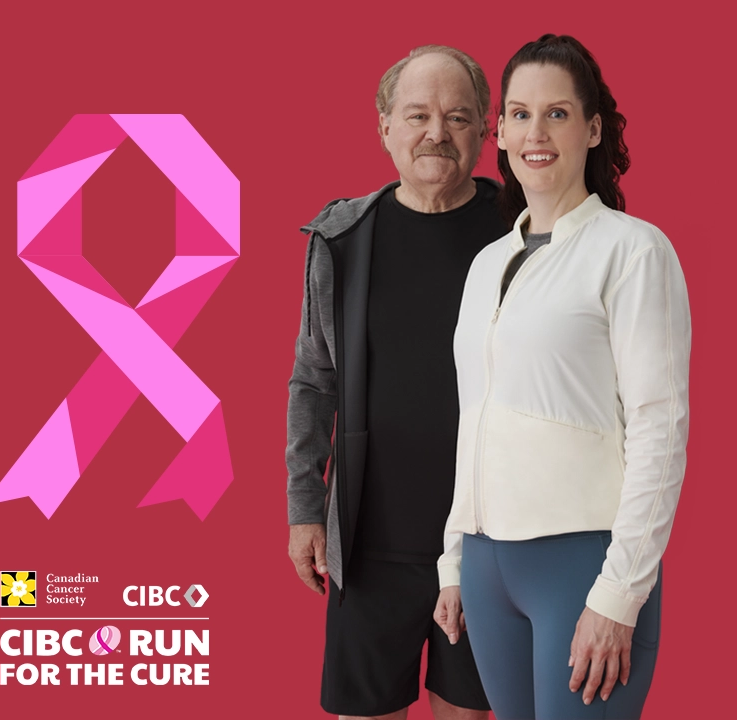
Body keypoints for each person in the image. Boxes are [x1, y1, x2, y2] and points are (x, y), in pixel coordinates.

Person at [433, 35, 691, 719]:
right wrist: (454, 561)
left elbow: (659, 432)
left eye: (556, 114)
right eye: (519, 115)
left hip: (583, 562)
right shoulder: (487, 265)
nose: (534, 133)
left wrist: (618, 593)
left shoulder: (632, 252)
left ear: (593, 128)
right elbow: (475, 418)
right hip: (488, 569)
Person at [286, 45, 508, 720]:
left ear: (483, 132)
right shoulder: (342, 240)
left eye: (457, 116)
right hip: (370, 541)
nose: (435, 132)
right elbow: (312, 379)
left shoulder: (522, 236)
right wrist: (303, 507)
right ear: (385, 126)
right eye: (417, 115)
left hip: (487, 542)